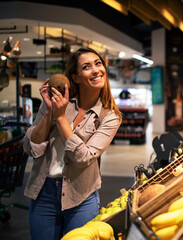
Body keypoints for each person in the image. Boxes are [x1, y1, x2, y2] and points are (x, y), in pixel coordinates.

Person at [23, 47, 122, 239]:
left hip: (82, 197)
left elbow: (83, 158)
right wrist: (51, 111)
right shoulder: (56, 102)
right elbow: (30, 147)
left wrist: (60, 119)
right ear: (75, 77)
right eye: (86, 67)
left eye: (98, 63)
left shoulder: (110, 116)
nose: (95, 70)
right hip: (43, 192)